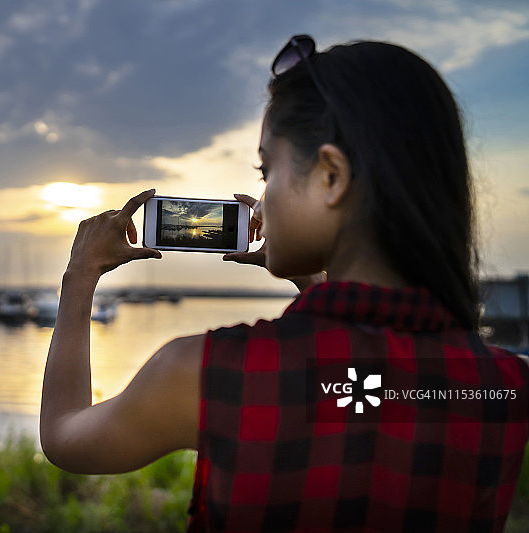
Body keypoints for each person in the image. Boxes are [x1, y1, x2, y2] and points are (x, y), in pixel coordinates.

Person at [39, 35, 529, 531]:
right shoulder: (504, 386)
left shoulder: (208, 372)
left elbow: (64, 437)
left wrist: (80, 274)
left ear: (331, 178)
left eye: (266, 170)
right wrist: (314, 283)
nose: (262, 198)